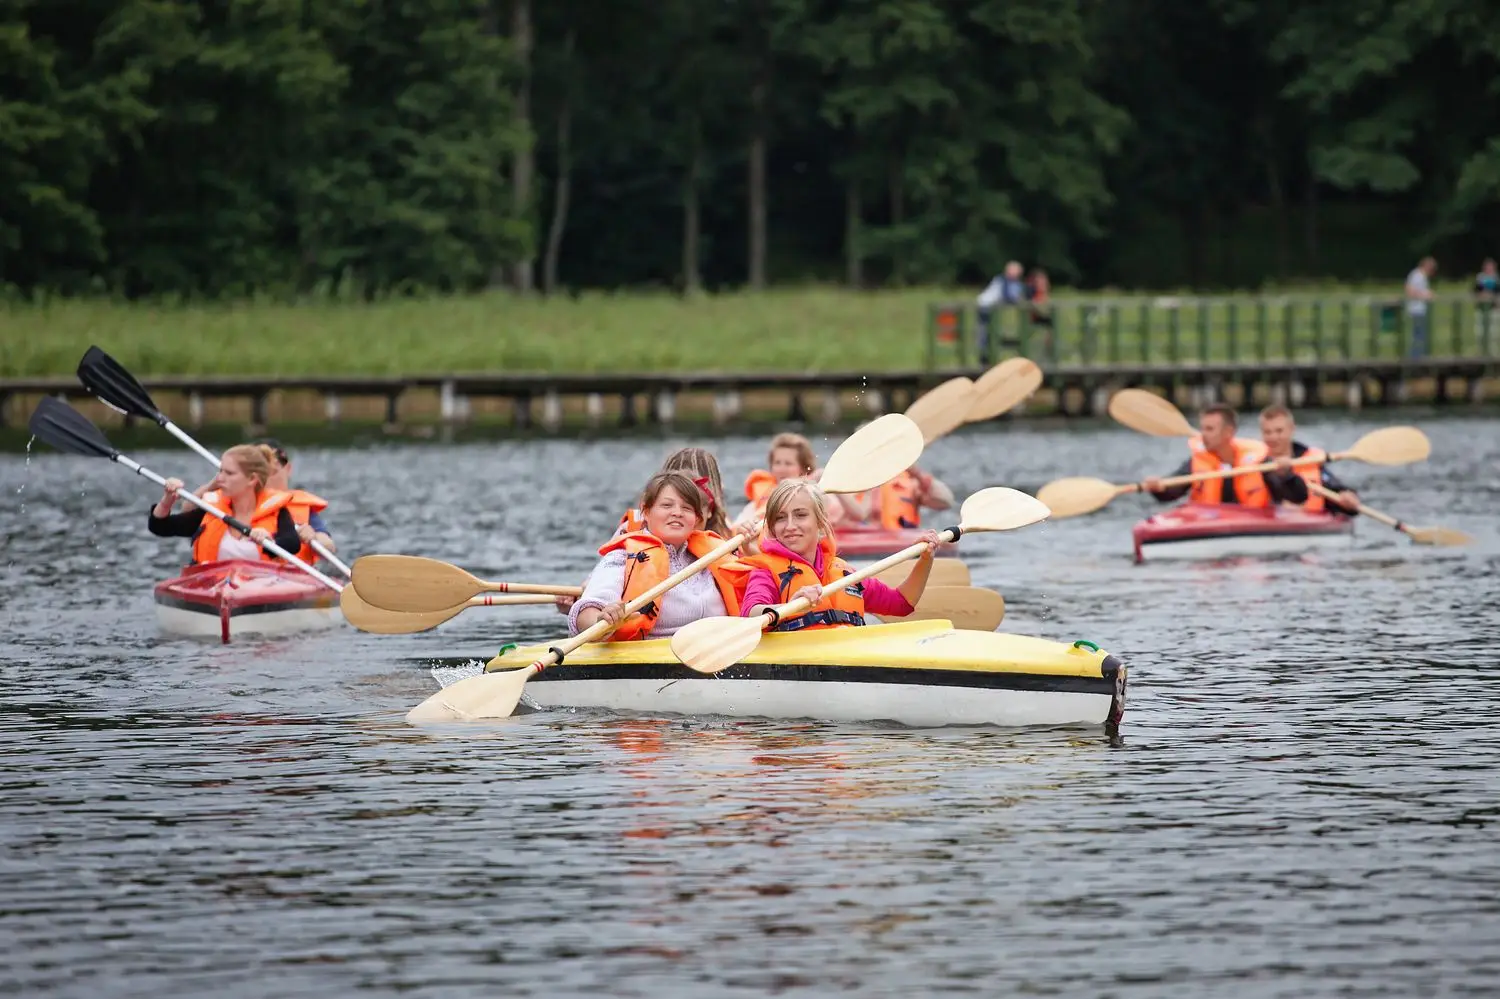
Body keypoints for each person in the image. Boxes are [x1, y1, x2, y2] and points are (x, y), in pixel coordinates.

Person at [569, 472, 754, 642]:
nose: (677, 512)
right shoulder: (622, 557)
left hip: (719, 648)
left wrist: (750, 548)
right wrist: (602, 620)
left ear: (697, 519)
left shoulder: (715, 554)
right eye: (667, 505)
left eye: (687, 508)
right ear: (646, 511)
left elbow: (756, 594)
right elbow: (587, 611)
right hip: (652, 654)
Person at [740, 479, 940, 631]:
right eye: (780, 518)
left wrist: (925, 560)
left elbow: (902, 603)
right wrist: (791, 607)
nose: (790, 526)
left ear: (820, 522)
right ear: (772, 527)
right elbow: (751, 615)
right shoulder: (766, 572)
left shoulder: (844, 573)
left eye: (800, 515)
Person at [174, 437, 336, 567]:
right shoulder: (229, 500)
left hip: (282, 579)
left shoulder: (298, 507)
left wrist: (313, 537)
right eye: (262, 472)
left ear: (287, 470)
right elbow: (187, 511)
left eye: (272, 472)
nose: (266, 479)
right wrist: (215, 482)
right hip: (221, 578)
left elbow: (329, 546)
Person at [148, 444, 302, 564]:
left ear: (252, 479)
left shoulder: (277, 512)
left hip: (260, 586)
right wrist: (168, 499)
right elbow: (160, 527)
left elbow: (292, 544)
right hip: (214, 586)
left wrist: (269, 540)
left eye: (229, 473)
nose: (219, 479)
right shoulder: (212, 512)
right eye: (221, 471)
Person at [1142, 403, 1307, 507]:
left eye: (1210, 429)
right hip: (1209, 526)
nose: (1203, 434)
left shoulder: (1259, 462)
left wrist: (1287, 475)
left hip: (1252, 526)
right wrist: (1159, 487)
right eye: (1202, 428)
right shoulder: (1198, 461)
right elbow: (1172, 491)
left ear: (1228, 432)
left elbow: (1298, 497)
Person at [733, 432, 865, 529]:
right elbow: (739, 525)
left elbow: (859, 515)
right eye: (777, 463)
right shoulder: (764, 495)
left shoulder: (817, 489)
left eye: (788, 463)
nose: (781, 469)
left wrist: (830, 482)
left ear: (803, 467)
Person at [1257, 405, 1360, 516]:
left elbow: (1337, 492)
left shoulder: (1310, 461)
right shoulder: (1255, 464)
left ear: (1292, 429)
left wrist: (1347, 497)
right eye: (1267, 432)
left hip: (1305, 521)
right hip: (1261, 521)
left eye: (1279, 431)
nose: (1273, 437)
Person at [975, 261, 1028, 364]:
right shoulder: (1003, 281)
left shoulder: (1005, 280)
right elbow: (1009, 296)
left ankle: (986, 355)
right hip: (985, 307)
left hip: (987, 306)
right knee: (986, 331)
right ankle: (985, 356)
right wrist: (1020, 301)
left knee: (988, 331)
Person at [1405, 256, 1436, 358]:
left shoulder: (1423, 276)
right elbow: (1409, 291)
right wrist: (1425, 295)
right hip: (1416, 310)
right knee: (1418, 335)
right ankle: (1415, 357)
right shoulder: (1416, 275)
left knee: (1421, 335)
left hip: (1422, 310)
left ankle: (1420, 355)